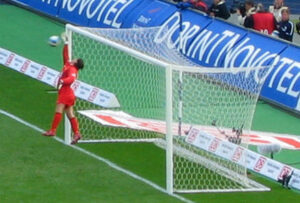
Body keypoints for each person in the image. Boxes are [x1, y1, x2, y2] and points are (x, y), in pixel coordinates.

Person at [43, 36, 84, 145]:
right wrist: (66, 43)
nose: (73, 58)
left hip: (66, 92)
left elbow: (71, 79)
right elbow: (65, 55)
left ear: (76, 63)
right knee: (70, 114)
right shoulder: (68, 65)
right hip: (68, 93)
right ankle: (77, 133)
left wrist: (62, 81)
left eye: (75, 59)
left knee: (59, 110)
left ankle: (52, 130)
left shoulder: (72, 69)